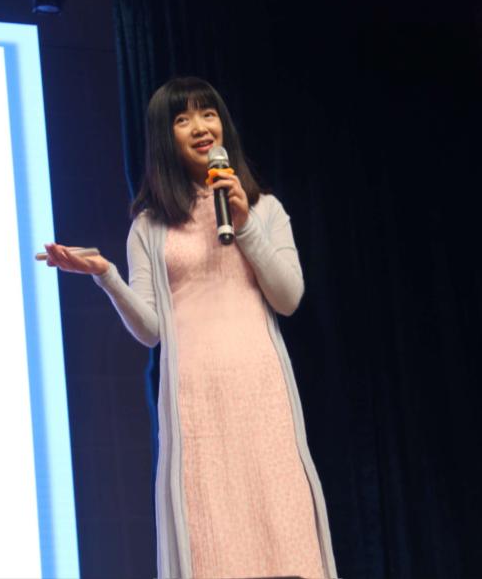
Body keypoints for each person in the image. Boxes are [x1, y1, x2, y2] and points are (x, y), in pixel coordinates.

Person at [44, 76, 336, 579]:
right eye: (183, 119)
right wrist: (106, 276)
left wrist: (244, 225)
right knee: (212, 539)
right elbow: (151, 329)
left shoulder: (264, 209)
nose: (200, 127)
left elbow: (288, 298)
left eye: (208, 114)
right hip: (196, 399)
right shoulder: (150, 225)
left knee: (282, 526)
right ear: (166, 137)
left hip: (263, 391)